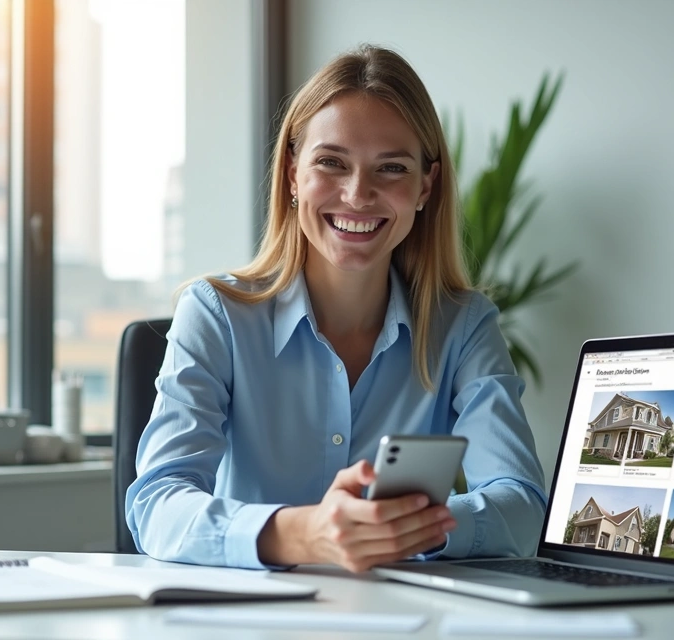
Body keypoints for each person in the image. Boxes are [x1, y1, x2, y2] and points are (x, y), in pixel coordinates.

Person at [126, 44, 546, 572]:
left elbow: (523, 504)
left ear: (424, 187)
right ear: (292, 173)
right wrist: (304, 534)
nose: (357, 194)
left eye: (391, 168)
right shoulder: (214, 313)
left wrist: (398, 530)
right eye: (331, 162)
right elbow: (157, 506)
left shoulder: (462, 326)